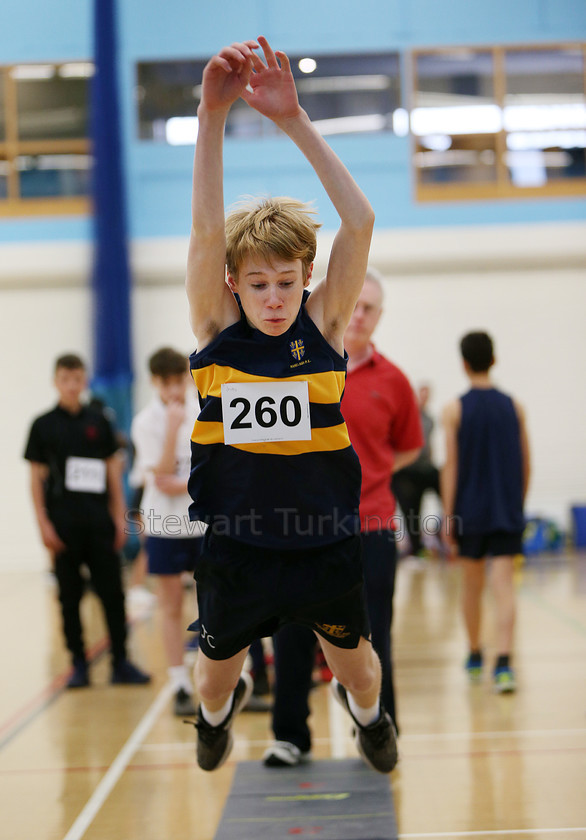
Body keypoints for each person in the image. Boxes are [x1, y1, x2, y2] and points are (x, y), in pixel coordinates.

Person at [185, 36, 397, 774]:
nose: (273, 298)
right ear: (231, 284)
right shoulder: (215, 333)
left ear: (307, 276)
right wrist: (211, 118)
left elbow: (361, 222)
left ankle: (370, 721)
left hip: (321, 542)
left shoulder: (326, 324)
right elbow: (207, 230)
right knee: (210, 681)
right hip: (237, 547)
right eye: (258, 283)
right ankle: (218, 720)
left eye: (286, 281)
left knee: (360, 670)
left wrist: (294, 120)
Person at [264, 269, 423, 767]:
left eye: (370, 308)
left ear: (379, 316)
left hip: (369, 526)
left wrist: (363, 473)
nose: (359, 315)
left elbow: (409, 448)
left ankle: (378, 728)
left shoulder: (394, 382)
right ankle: (290, 735)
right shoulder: (299, 363)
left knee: (374, 633)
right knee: (290, 630)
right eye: (355, 304)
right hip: (299, 527)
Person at [24, 354, 151, 688]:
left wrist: (120, 518)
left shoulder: (98, 421)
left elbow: (113, 472)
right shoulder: (43, 426)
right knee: (68, 597)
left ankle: (121, 662)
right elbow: (36, 479)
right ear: (56, 382)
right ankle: (78, 664)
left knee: (113, 594)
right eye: (65, 379)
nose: (71, 385)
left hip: (99, 524)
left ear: (84, 381)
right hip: (63, 525)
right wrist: (43, 525)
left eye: (77, 378)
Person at [441, 331, 530, 693]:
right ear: (493, 360)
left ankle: (476, 653)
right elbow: (526, 463)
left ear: (464, 363)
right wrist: (516, 502)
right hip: (505, 509)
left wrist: (448, 517)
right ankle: (504, 663)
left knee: (472, 586)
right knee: (504, 585)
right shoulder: (515, 406)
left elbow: (451, 467)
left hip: (470, 512)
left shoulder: (454, 409)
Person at [131, 347, 204, 715]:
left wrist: (186, 481)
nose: (175, 390)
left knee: (212, 600)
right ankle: (178, 681)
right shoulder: (146, 422)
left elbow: (209, 470)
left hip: (200, 521)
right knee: (171, 604)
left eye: (180, 381)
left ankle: (219, 675)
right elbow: (158, 476)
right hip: (163, 523)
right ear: (155, 383)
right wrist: (173, 428)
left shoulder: (202, 410)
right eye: (167, 383)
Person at [392, 382, 441, 560]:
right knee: (411, 508)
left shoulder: (430, 419)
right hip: (407, 469)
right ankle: (415, 548)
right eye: (421, 393)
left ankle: (447, 535)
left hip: (424, 466)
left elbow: (430, 444)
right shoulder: (406, 415)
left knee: (444, 483)